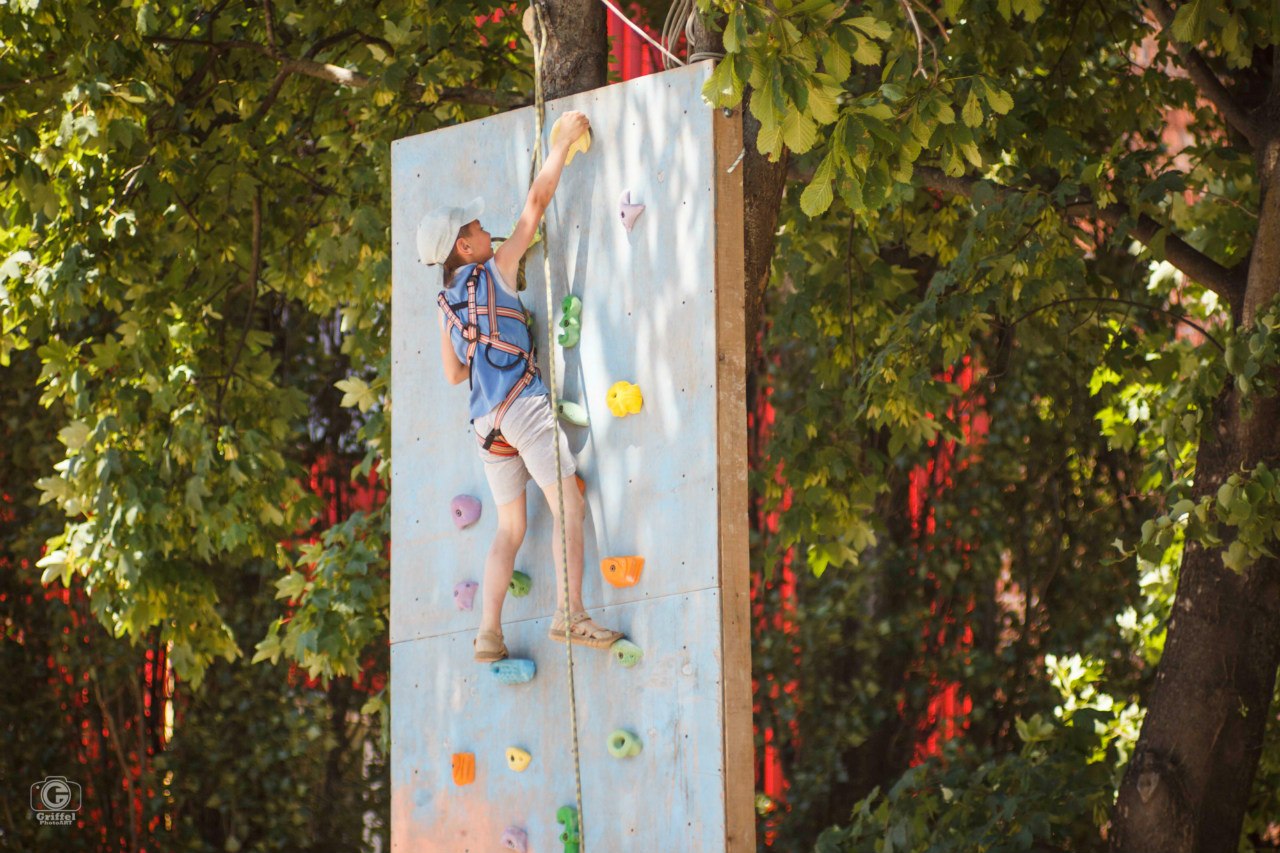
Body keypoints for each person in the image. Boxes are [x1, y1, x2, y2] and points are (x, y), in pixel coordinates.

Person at [417, 110, 623, 663]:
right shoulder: (496, 270)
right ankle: (571, 614)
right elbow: (535, 207)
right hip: (523, 407)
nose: (488, 231)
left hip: (486, 425)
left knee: (510, 528)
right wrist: (559, 145)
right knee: (569, 505)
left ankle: (489, 633)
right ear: (465, 247)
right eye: (478, 229)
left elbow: (454, 374)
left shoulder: (448, 304)